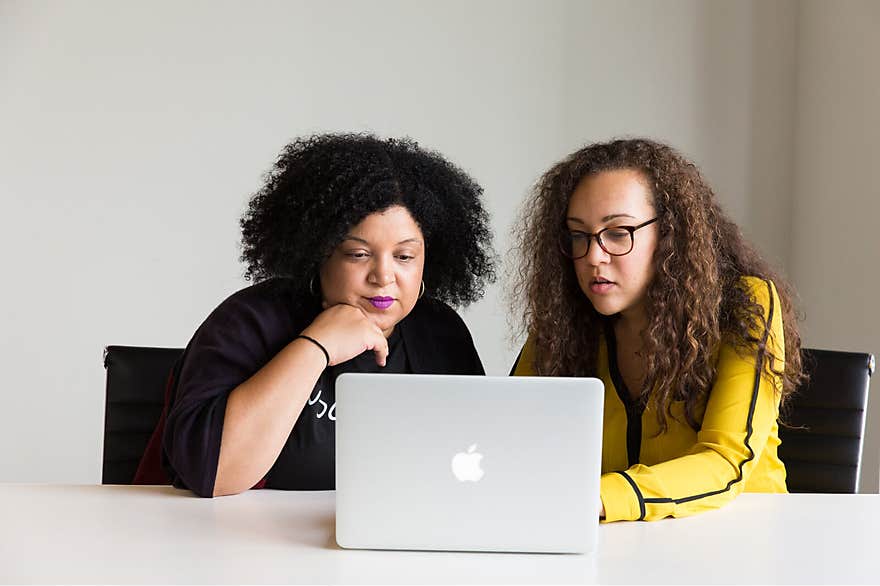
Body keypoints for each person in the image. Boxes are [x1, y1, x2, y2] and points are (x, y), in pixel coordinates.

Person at [140, 133, 495, 497]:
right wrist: (316, 345)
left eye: (404, 257)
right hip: (241, 543)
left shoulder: (440, 332)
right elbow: (212, 475)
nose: (383, 276)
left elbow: (482, 461)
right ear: (319, 252)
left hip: (395, 543)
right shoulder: (251, 320)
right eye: (358, 254)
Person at [509, 137, 805, 522]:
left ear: (670, 235)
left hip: (742, 544)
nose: (593, 256)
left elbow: (725, 461)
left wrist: (595, 498)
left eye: (618, 233)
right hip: (610, 546)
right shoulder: (565, 319)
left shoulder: (744, 305)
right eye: (578, 236)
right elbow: (510, 434)